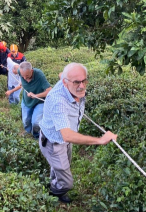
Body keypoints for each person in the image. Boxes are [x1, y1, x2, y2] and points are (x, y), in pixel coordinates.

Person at [39, 63, 118, 203]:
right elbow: (67, 135)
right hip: (54, 141)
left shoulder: (67, 82)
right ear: (65, 82)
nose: (81, 86)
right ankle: (54, 192)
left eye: (84, 80)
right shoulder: (58, 101)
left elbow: (62, 76)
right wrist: (100, 140)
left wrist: (68, 78)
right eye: (76, 82)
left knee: (62, 166)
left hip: (65, 140)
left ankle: (55, 182)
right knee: (67, 182)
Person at [18, 62, 52, 139]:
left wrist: (36, 95)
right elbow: (14, 69)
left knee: (36, 122)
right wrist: (21, 82)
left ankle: (36, 135)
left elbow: (49, 90)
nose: (25, 78)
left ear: (31, 71)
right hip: (27, 101)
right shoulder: (20, 71)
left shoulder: (39, 75)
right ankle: (28, 132)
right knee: (26, 121)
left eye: (27, 76)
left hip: (39, 102)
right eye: (23, 76)